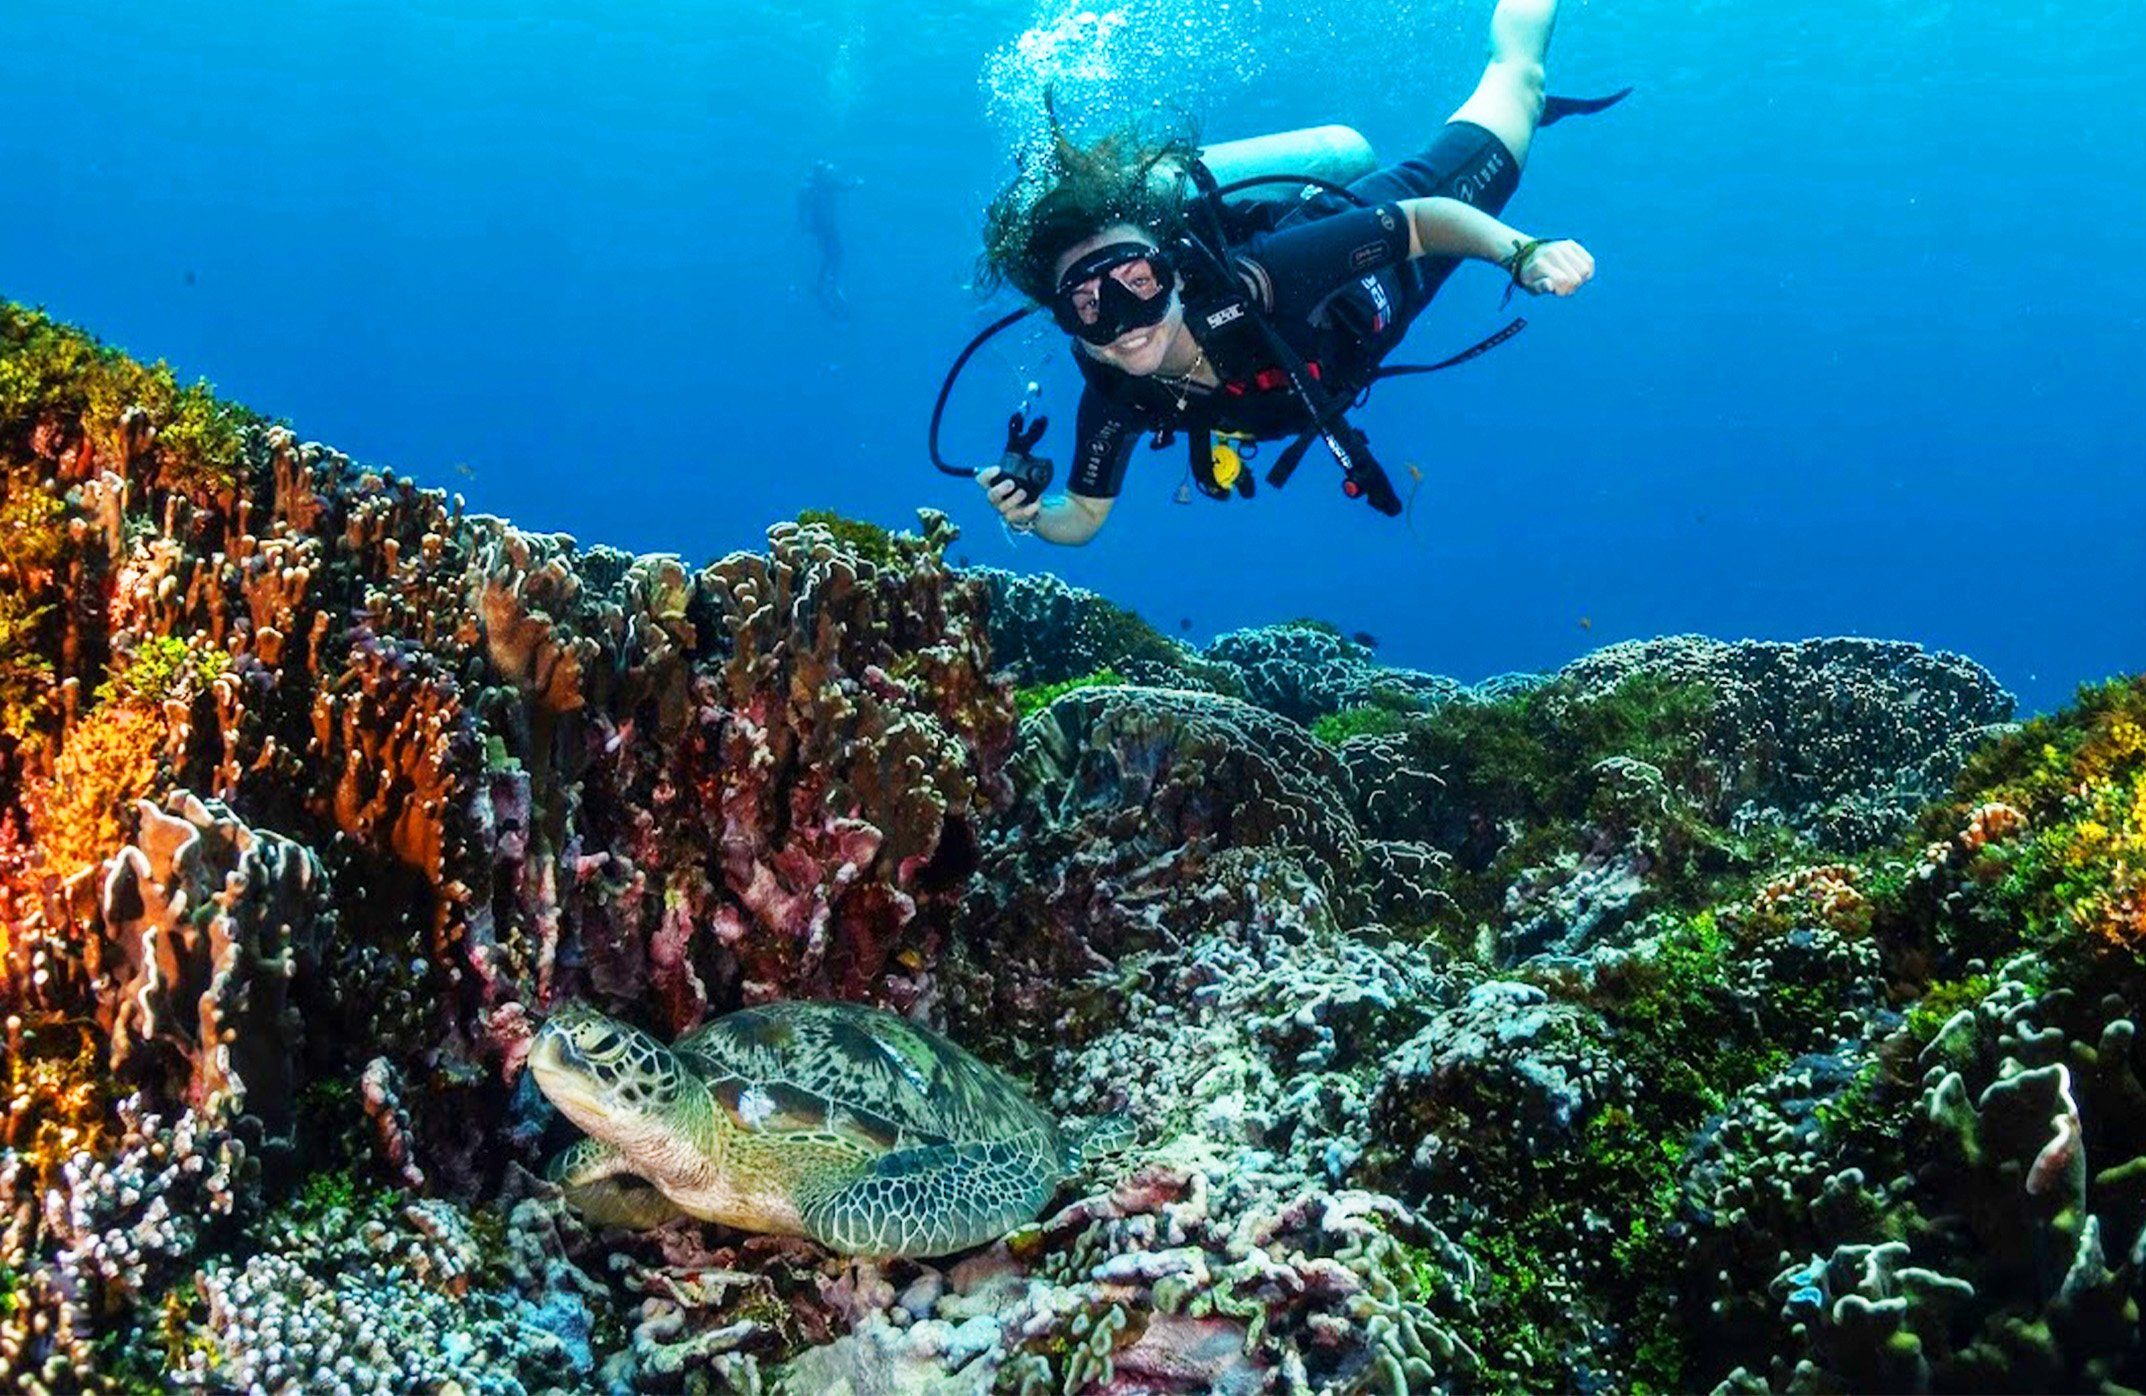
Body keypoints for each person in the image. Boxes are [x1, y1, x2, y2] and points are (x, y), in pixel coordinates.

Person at [973, 0, 1610, 544]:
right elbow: (1083, 516)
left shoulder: (1259, 279)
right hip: (1368, 324)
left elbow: (1419, 223)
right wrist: (1030, 516)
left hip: (1376, 238)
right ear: (1063, 321)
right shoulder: (1118, 395)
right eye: (1087, 305)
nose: (1124, 324)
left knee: (1518, 85)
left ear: (1174, 272)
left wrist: (1520, 252)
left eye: (1138, 283)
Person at [799, 160, 858, 319]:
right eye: (826, 172)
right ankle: (826, 283)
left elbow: (843, 186)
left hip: (825, 227)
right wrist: (854, 183)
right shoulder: (815, 188)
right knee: (834, 254)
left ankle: (827, 282)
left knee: (834, 254)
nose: (829, 175)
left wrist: (853, 183)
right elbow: (843, 187)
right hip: (823, 227)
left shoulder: (820, 186)